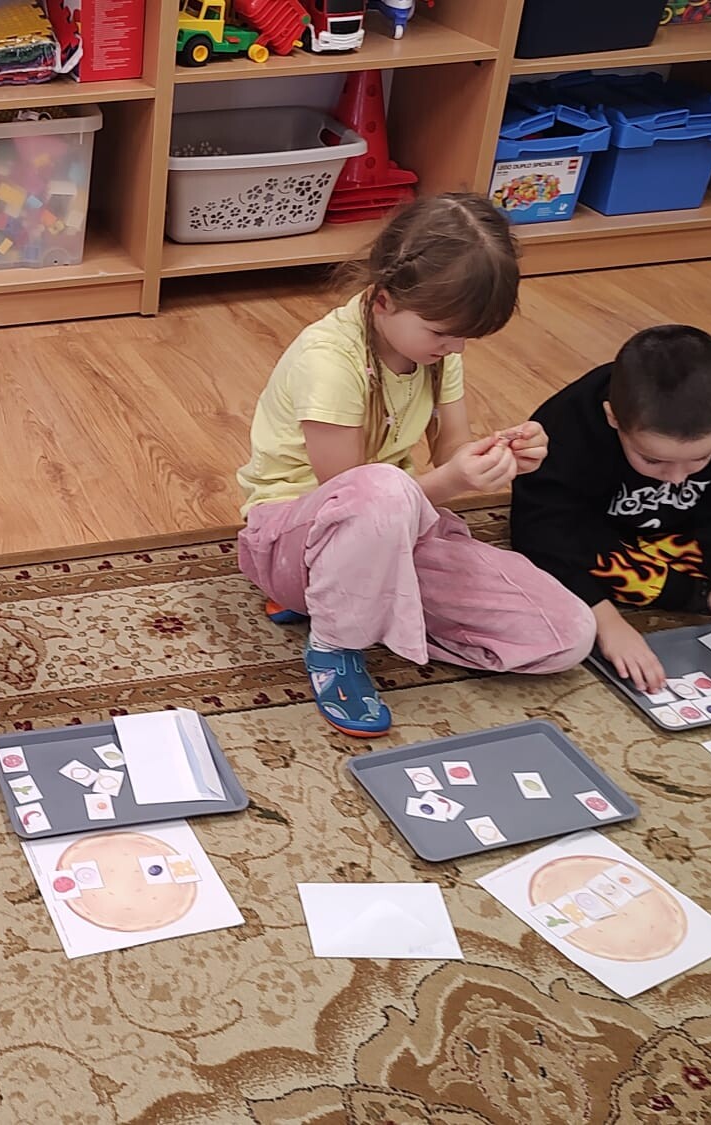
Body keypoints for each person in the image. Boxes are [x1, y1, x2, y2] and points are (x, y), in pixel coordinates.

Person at [234, 193, 594, 737]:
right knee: (382, 490)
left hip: (398, 527)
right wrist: (450, 480)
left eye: (466, 335)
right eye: (442, 332)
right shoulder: (329, 361)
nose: (456, 348)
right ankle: (334, 643)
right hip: (292, 539)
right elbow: (351, 498)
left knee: (569, 632)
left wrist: (502, 455)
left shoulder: (436, 351)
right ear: (383, 300)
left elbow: (450, 451)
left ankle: (358, 607)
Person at [512, 324, 711, 693]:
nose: (676, 478)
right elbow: (543, 526)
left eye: (700, 459)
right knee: (552, 560)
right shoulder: (568, 422)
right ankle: (704, 594)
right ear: (613, 418)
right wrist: (607, 624)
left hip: (684, 533)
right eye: (652, 460)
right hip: (610, 536)